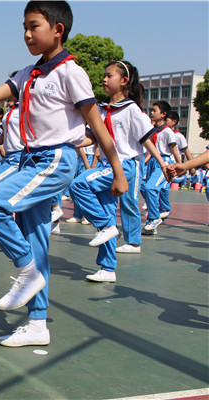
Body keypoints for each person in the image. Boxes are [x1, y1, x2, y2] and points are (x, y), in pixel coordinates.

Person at [0, 1, 127, 347]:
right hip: (31, 162)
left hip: (56, 160)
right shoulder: (28, 74)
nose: (27, 34)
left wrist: (119, 173)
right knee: (36, 241)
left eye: (34, 26)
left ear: (57, 30)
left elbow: (98, 126)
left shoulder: (70, 72)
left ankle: (27, 271)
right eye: (24, 27)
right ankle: (37, 324)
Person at [70, 61, 169, 282]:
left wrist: (163, 164)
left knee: (79, 184)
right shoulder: (102, 109)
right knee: (106, 212)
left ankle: (112, 230)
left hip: (124, 166)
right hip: (107, 166)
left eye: (109, 76)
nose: (104, 79)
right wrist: (66, 141)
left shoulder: (132, 109)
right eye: (104, 76)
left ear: (124, 81)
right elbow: (92, 138)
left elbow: (146, 140)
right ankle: (107, 269)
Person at [140, 100, 181, 235]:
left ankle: (154, 216)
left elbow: (174, 149)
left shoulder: (168, 132)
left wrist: (180, 165)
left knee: (151, 187)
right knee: (142, 185)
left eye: (154, 111)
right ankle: (152, 222)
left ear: (163, 114)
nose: (152, 113)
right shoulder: (153, 130)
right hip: (152, 161)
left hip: (163, 162)